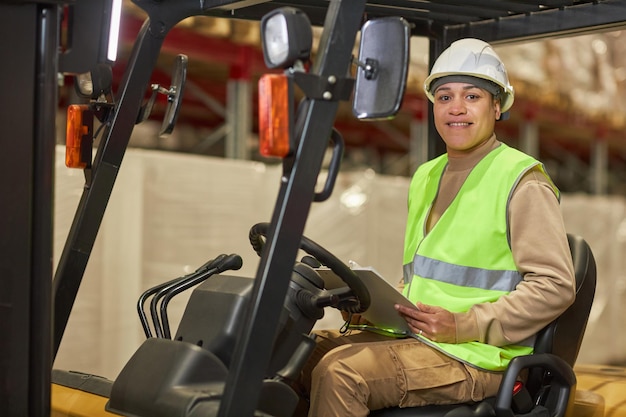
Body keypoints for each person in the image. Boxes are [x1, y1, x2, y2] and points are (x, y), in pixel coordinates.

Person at [296, 38, 576, 417]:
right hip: (421, 339)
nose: (456, 109)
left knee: (342, 372)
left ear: (497, 106)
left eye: (472, 97)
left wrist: (466, 323)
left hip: (477, 355)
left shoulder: (521, 181)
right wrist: (375, 309)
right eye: (444, 97)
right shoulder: (427, 175)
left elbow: (555, 286)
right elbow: (424, 277)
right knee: (292, 351)